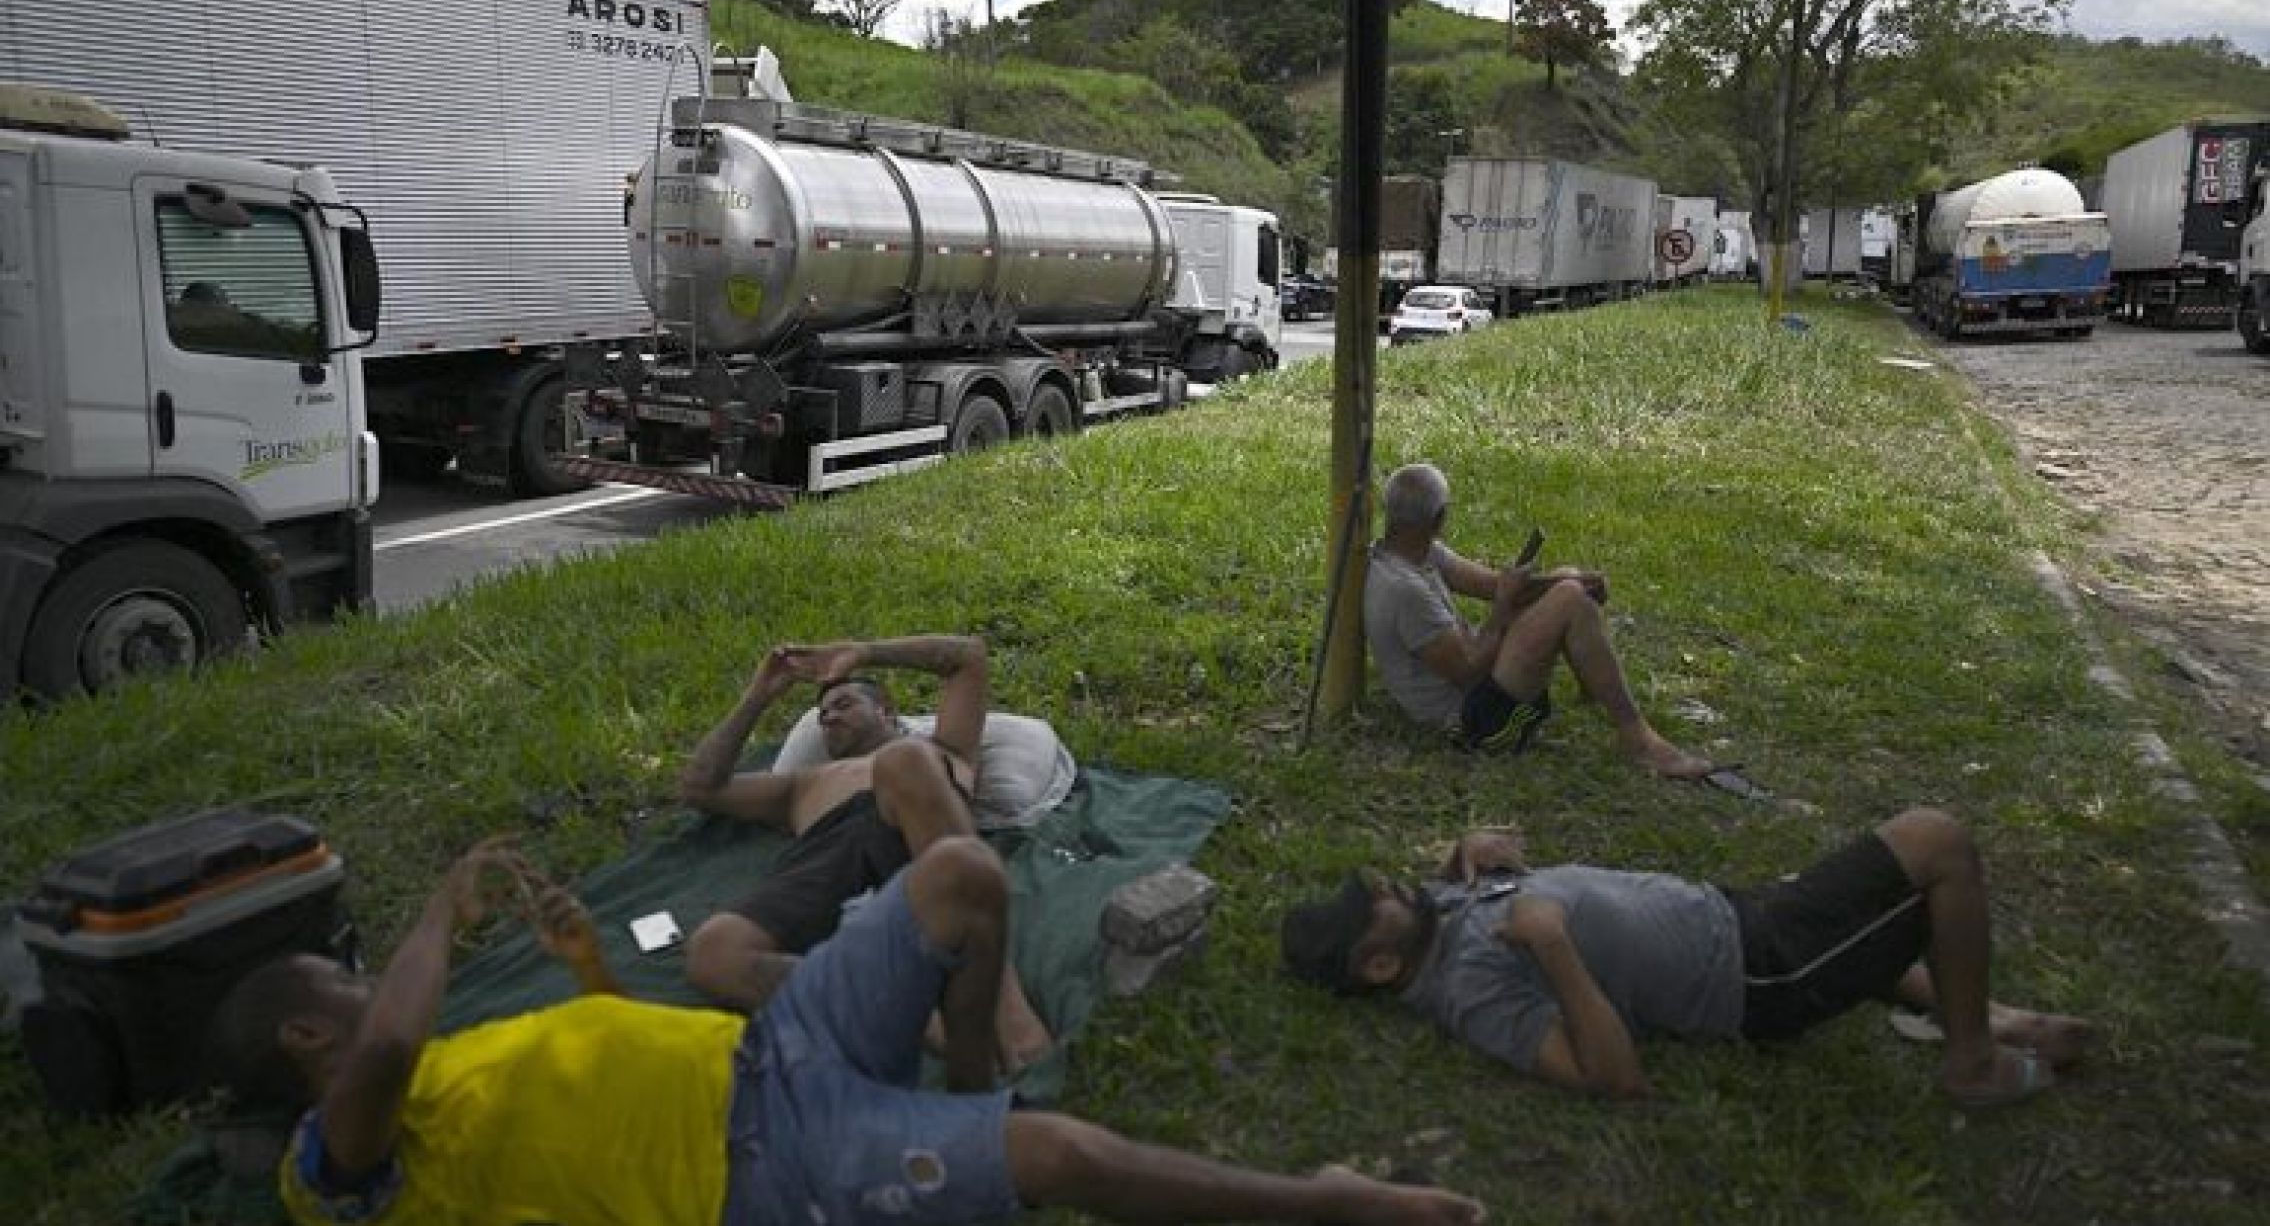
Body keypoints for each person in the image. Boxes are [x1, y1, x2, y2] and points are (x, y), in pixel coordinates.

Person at [210, 838, 1488, 1226]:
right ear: (306, 1045)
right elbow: (383, 1052)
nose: (369, 995)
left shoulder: (447, 1071)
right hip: (761, 1157)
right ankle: (1332, 1207)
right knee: (1057, 1158)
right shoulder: (334, 1165)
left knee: (960, 873)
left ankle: (972, 1077)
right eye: (344, 985)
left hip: (774, 1049)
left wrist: (592, 973)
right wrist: (437, 897)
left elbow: (590, 1078)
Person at [1281, 807, 2092, 1108]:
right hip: (1756, 973)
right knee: (1936, 844)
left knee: (1875, 901)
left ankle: (1979, 1012)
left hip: (1736, 912)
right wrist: (1556, 947)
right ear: (1380, 967)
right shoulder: (1468, 993)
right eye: (1374, 903)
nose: (1391, 887)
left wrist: (1469, 849)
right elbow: (1612, 1076)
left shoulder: (1437, 913)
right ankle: (1971, 1061)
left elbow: (1446, 886)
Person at [678, 633, 1051, 1068]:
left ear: (886, 710)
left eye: (844, 705)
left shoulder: (941, 750)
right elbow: (700, 787)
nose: (829, 718)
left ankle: (1010, 1019)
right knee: (713, 954)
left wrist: (865, 652)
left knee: (904, 760)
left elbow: (967, 656)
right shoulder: (801, 784)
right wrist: (757, 697)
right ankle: (923, 1020)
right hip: (825, 862)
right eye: (822, 715)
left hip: (918, 845)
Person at [1364, 461, 1712, 778]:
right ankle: (1638, 739)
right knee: (1570, 601)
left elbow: (1492, 585)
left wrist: (1565, 580)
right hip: (1473, 722)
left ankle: (1595, 688)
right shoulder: (1403, 590)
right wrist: (1507, 605)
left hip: (1478, 686)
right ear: (1440, 518)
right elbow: (1467, 670)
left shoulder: (1417, 550)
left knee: (1568, 582)